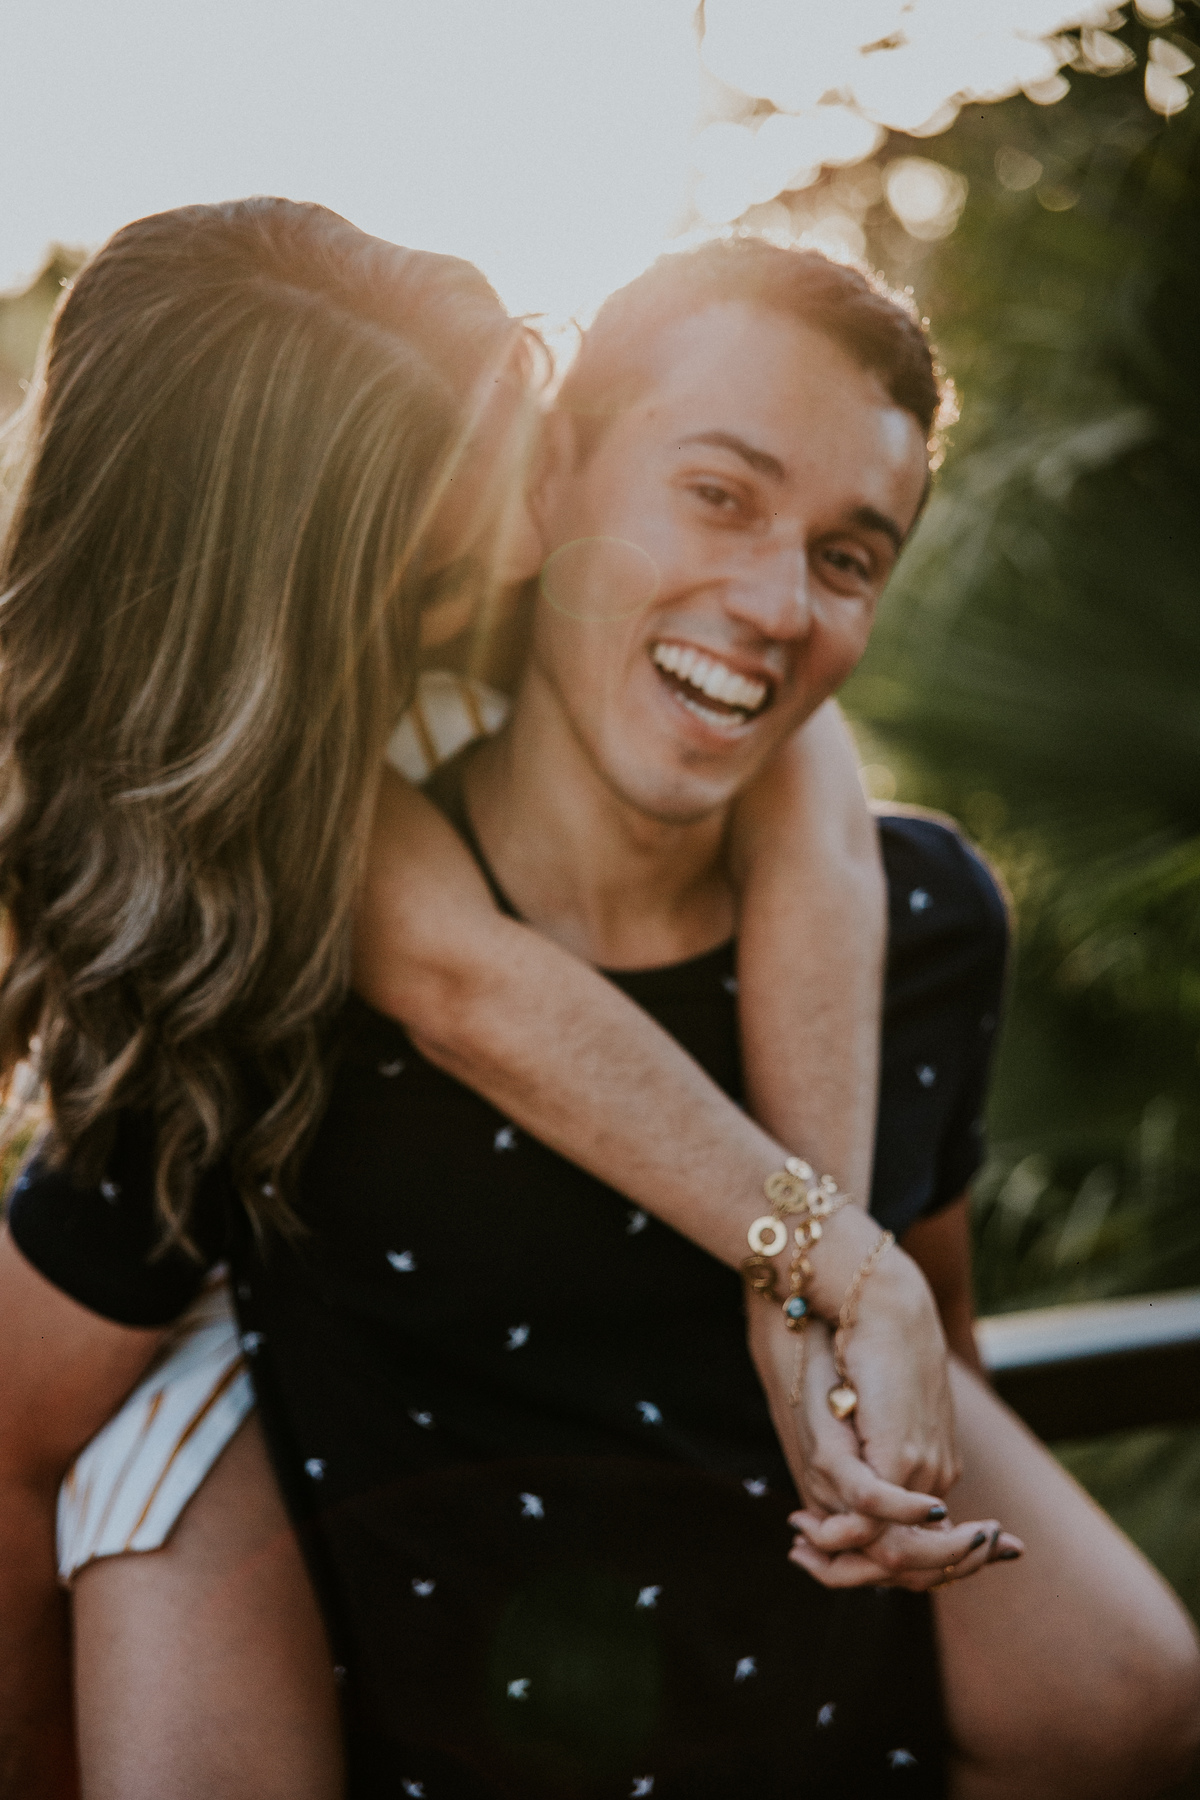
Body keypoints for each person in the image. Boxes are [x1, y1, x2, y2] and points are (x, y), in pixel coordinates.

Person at [8, 229, 1199, 1798]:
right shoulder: (256, 903)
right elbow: (450, 973)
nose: (522, 545)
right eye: (714, 492)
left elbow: (805, 778)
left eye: (849, 556)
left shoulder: (903, 897)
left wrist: (835, 1299)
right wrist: (827, 1264)